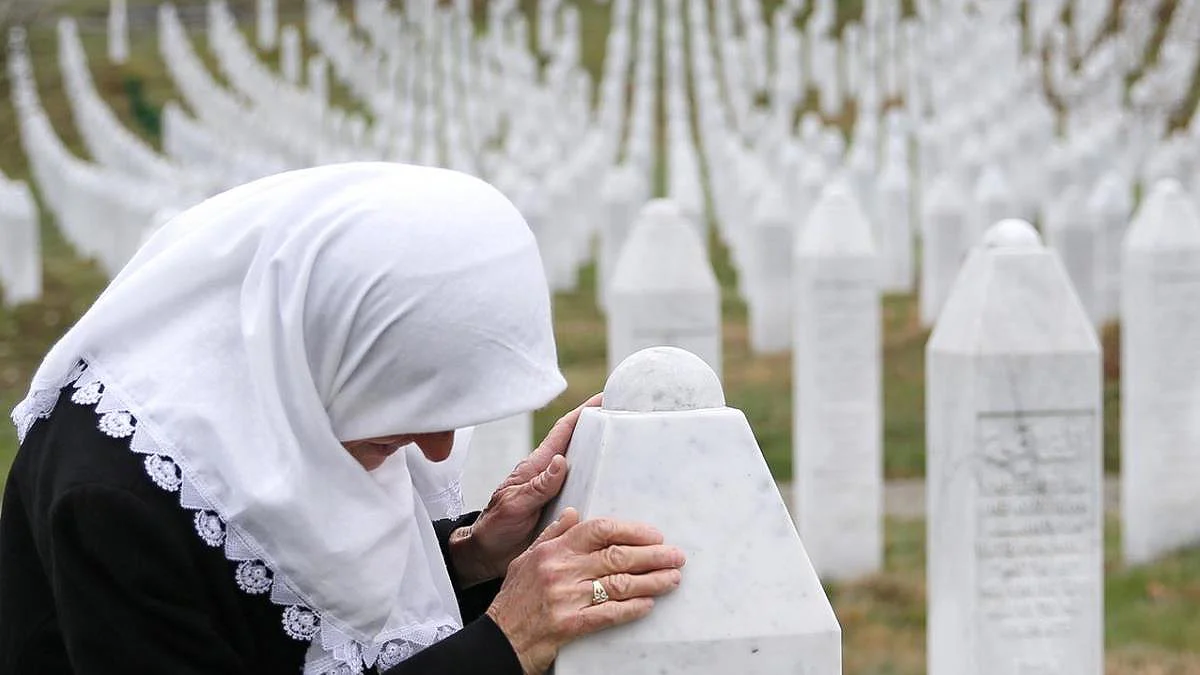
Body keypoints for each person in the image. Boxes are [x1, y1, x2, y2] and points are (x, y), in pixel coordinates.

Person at [0, 163, 686, 675]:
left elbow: (302, 577)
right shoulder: (113, 497)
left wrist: (473, 553)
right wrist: (506, 639)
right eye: (411, 406)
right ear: (338, 333)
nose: (438, 445)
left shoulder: (292, 393)